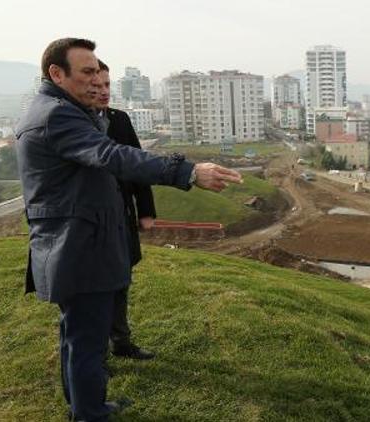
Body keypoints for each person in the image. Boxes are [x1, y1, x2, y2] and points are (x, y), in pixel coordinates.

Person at [15, 38, 242, 421]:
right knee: (86, 342)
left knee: (76, 337)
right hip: (80, 246)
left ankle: (85, 408)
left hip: (74, 243)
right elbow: (111, 155)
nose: (95, 81)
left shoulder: (57, 109)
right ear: (57, 73)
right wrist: (186, 172)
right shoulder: (56, 115)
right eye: (86, 72)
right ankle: (90, 414)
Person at [93, 60, 155, 361]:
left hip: (123, 214)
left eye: (108, 85)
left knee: (122, 279)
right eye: (98, 85)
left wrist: (146, 211)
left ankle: (121, 341)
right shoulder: (77, 123)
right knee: (96, 288)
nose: (104, 91)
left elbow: (138, 165)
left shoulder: (120, 119)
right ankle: (96, 353)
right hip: (94, 218)